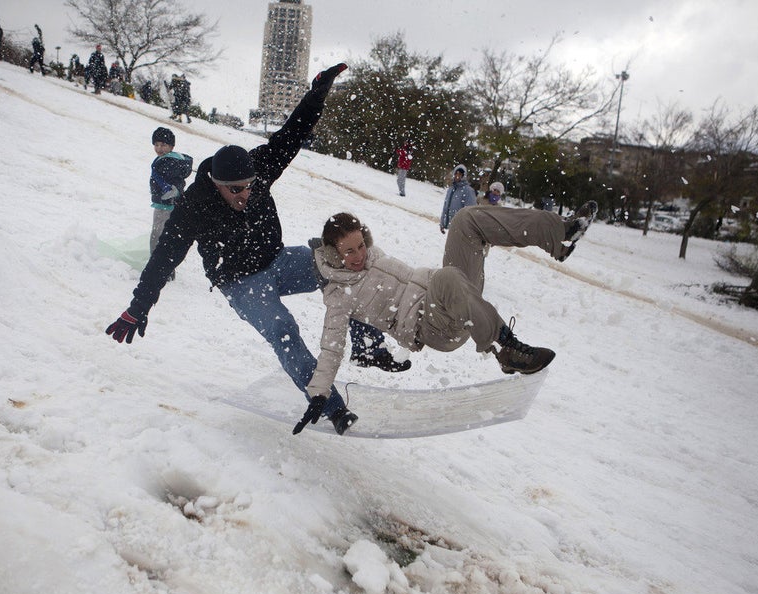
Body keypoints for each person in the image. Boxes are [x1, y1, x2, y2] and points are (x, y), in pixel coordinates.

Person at [106, 64, 410, 433]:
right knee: (283, 328)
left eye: (249, 186)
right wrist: (138, 307)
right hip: (240, 283)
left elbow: (294, 133)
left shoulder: (260, 167)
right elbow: (163, 258)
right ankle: (330, 406)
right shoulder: (194, 207)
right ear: (217, 184)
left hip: (279, 261)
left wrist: (317, 91)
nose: (245, 195)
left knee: (346, 265)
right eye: (235, 190)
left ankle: (366, 345)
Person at [301, 203, 597, 434]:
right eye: (349, 252)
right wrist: (319, 394)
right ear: (333, 254)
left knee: (466, 220)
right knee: (446, 277)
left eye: (361, 246)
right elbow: (331, 348)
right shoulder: (339, 296)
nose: (358, 256)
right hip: (434, 327)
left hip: (454, 296)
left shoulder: (373, 256)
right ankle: (507, 347)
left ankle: (561, 234)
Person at [148, 127, 193, 278]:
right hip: (169, 205)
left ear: (171, 146)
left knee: (158, 237)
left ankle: (159, 269)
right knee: (166, 237)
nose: (159, 148)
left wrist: (171, 192)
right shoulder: (173, 160)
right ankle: (166, 268)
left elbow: (176, 182)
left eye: (163, 145)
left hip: (165, 206)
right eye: (157, 144)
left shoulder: (170, 162)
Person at [439, 164, 476, 234]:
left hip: (460, 227)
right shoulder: (451, 188)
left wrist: (466, 229)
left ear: (464, 176)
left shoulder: (468, 191)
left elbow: (470, 211)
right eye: (456, 173)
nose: (457, 176)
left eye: (460, 174)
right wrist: (442, 223)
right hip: (451, 226)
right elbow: (445, 207)